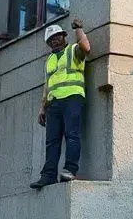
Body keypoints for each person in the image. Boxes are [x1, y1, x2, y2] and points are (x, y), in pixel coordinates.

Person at [30, 19, 90, 189]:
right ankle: (48, 175)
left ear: (64, 36)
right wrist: (42, 107)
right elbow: (47, 84)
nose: (54, 40)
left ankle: (69, 170)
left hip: (72, 98)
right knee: (52, 141)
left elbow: (86, 48)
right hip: (53, 103)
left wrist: (79, 29)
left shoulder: (72, 50)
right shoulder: (49, 60)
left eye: (57, 37)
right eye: (51, 39)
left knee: (72, 135)